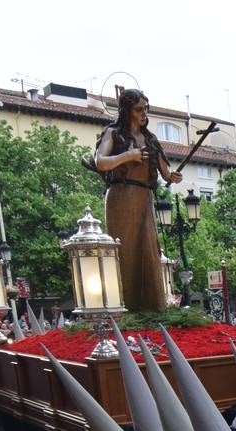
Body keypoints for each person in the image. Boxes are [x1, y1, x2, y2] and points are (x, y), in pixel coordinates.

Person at [92, 89, 182, 312]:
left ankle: (152, 309)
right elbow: (100, 162)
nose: (144, 114)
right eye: (139, 109)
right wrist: (127, 156)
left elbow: (164, 169)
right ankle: (126, 308)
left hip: (144, 198)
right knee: (125, 252)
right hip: (121, 197)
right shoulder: (113, 133)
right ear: (126, 111)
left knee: (149, 250)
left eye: (146, 109)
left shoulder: (150, 138)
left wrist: (172, 176)